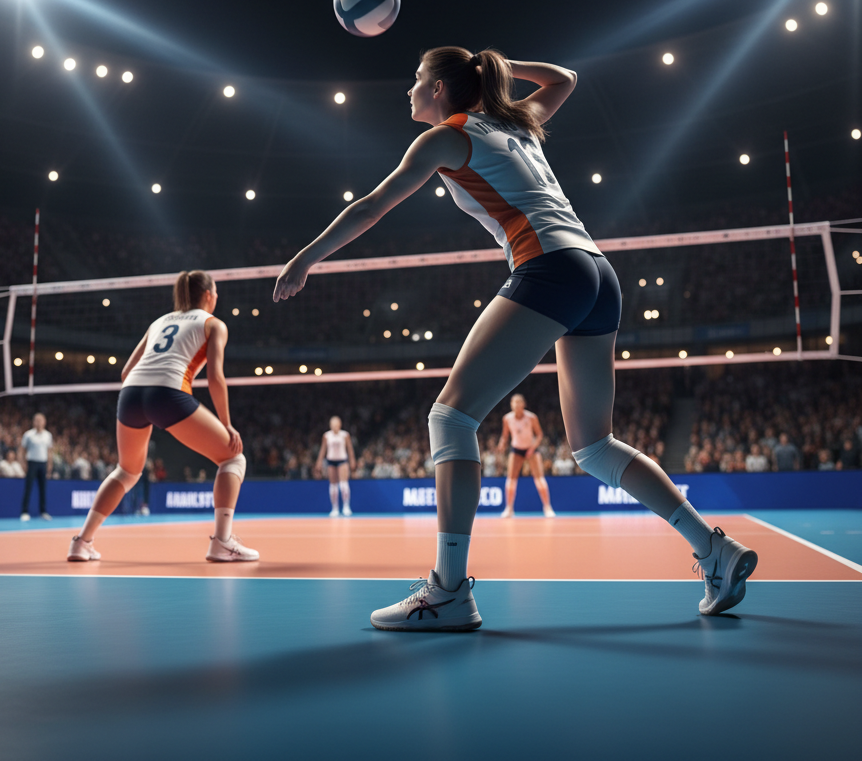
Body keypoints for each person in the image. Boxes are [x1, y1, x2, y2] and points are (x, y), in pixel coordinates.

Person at [274, 47, 757, 630]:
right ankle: (714, 551)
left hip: (549, 267)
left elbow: (373, 206)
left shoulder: (446, 137)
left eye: (418, 80)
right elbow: (565, 78)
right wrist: (492, 63)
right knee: (595, 448)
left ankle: (449, 590)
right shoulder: (514, 121)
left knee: (450, 419)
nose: (410, 91)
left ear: (442, 91)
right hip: (596, 272)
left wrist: (305, 258)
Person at [68, 270, 259, 562]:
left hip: (131, 394)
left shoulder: (159, 321)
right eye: (216, 292)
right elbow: (215, 378)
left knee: (127, 471)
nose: (217, 297)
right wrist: (227, 424)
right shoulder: (214, 324)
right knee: (233, 457)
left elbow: (124, 373)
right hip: (167, 393)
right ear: (208, 295)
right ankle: (222, 541)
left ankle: (82, 542)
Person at [497, 393, 555, 518]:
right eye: (514, 402)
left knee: (539, 479)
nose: (516, 405)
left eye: (519, 402)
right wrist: (502, 443)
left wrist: (532, 448)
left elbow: (539, 435)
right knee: (511, 480)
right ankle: (509, 508)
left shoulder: (531, 417)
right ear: (511, 405)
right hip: (516, 450)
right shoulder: (507, 419)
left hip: (531, 449)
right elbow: (505, 435)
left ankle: (547, 507)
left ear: (523, 404)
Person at [314, 415, 355, 516]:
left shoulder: (345, 435)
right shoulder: (327, 436)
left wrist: (352, 460)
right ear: (330, 425)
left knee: (343, 485)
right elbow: (323, 449)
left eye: (336, 425)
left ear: (340, 425)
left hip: (342, 461)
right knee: (333, 485)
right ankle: (335, 508)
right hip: (331, 461)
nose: (335, 427)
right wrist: (319, 461)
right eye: (333, 425)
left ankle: (346, 506)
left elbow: (350, 449)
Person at [20, 413, 53, 521]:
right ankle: (24, 512)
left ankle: (43, 512)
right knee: (28, 488)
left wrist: (49, 465)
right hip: (31, 463)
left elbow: (49, 452)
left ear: (44, 422)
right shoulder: (28, 435)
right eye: (36, 420)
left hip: (43, 463)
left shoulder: (48, 435)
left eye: (41, 420)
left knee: (43, 489)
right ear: (33, 422)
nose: (38, 422)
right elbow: (22, 450)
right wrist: (23, 463)